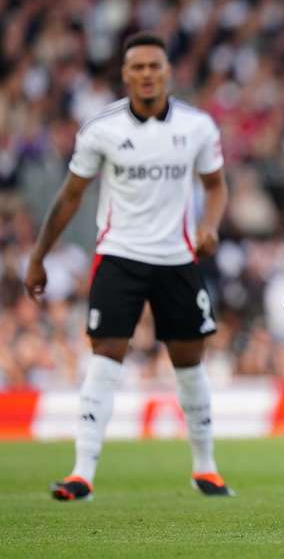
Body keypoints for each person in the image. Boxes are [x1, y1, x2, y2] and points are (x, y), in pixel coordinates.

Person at [24, 32, 232, 501]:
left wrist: (211, 226)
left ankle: (206, 468)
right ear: (125, 74)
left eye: (154, 66)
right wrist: (38, 257)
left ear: (167, 72)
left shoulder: (198, 127)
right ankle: (82, 473)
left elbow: (216, 186)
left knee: (189, 362)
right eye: (137, 67)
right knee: (105, 357)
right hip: (119, 255)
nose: (146, 74)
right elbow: (70, 195)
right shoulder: (102, 129)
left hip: (177, 257)